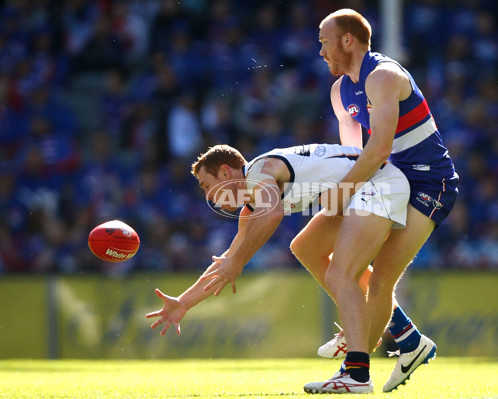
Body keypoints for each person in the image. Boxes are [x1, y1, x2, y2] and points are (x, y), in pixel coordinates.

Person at [146, 143, 410, 393]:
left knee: (341, 275)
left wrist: (237, 262)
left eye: (207, 186)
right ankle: (405, 334)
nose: (210, 198)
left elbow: (272, 214)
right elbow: (229, 259)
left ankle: (357, 373)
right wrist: (184, 302)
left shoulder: (259, 172)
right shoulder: (251, 202)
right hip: (362, 189)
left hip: (380, 183)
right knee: (305, 248)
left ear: (226, 172)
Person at [295, 9, 459, 394]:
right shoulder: (340, 90)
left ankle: (357, 367)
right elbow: (354, 153)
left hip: (427, 183)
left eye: (324, 41)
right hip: (388, 179)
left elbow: (378, 148)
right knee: (307, 246)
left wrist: (339, 194)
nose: (320, 51)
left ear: (347, 40)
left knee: (380, 276)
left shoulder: (383, 76)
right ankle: (404, 338)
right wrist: (327, 188)